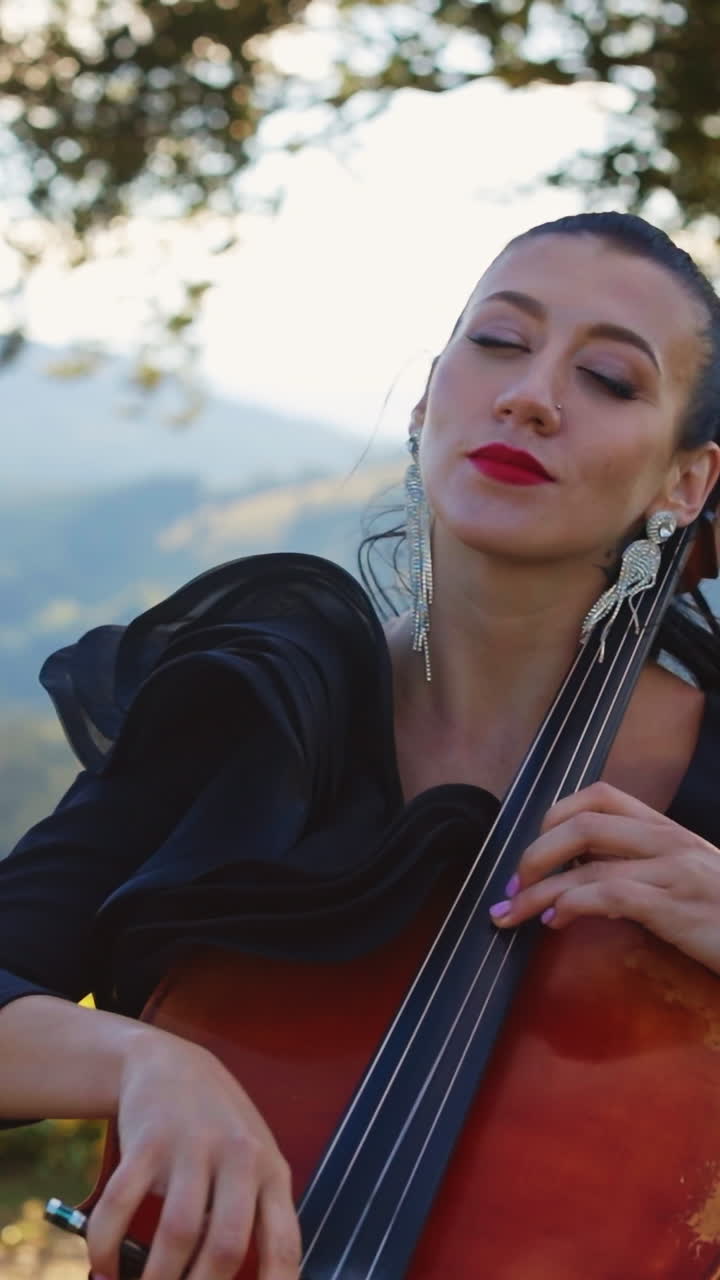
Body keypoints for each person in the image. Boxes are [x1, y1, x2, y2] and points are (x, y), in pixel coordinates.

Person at [2, 210, 720, 1280]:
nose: (531, 395)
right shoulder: (255, 713)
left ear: (686, 483)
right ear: (430, 396)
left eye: (609, 378)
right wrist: (142, 1060)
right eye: (500, 341)